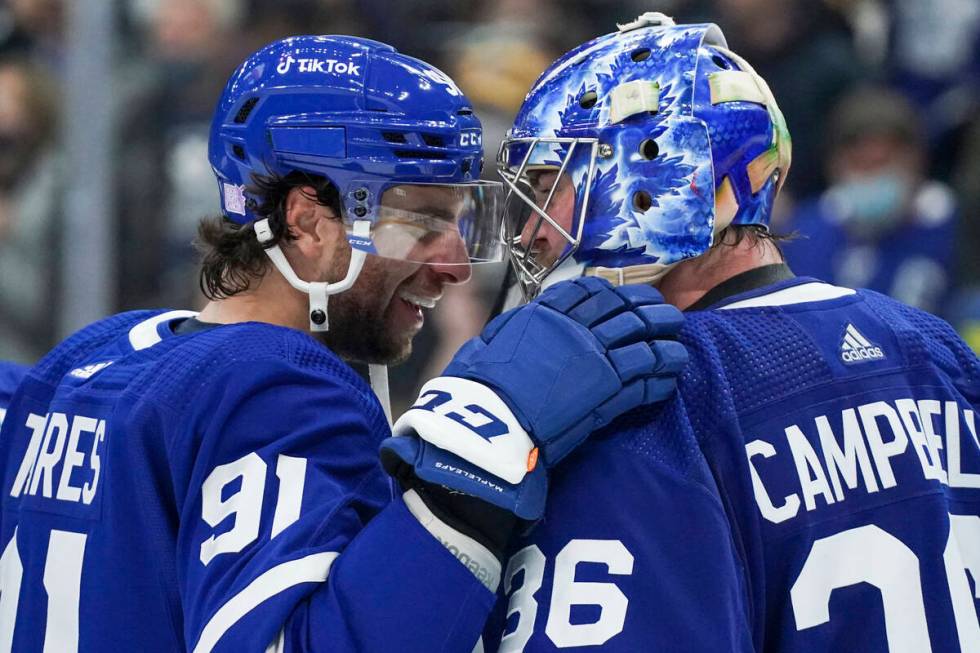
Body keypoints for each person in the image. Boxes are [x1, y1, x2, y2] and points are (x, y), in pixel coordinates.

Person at [0, 35, 686, 652]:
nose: (451, 266)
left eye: (460, 223)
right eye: (421, 222)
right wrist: (471, 470)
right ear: (306, 221)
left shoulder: (90, 359)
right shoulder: (278, 388)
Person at [475, 13, 980, 652]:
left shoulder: (651, 390)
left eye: (551, 189)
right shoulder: (933, 348)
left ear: (654, 180)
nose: (531, 234)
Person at [781, 86, 959, 317]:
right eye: (860, 165)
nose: (872, 179)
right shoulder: (806, 231)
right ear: (834, 165)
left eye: (883, 165)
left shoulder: (955, 224)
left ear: (917, 161)